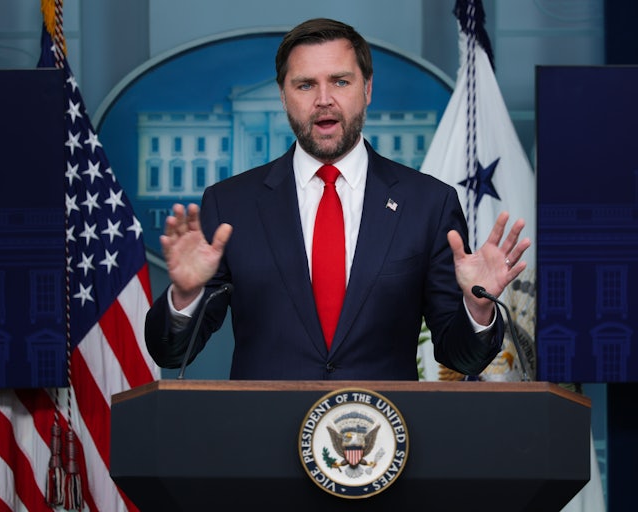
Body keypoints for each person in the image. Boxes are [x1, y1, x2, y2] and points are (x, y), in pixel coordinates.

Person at [144, 17, 530, 380]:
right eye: (305, 84)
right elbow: (171, 353)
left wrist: (478, 308)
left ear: (367, 90)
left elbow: (459, 355)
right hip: (262, 437)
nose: (324, 99)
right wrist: (186, 296)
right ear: (283, 96)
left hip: (384, 440)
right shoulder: (231, 205)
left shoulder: (428, 203)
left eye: (341, 82)